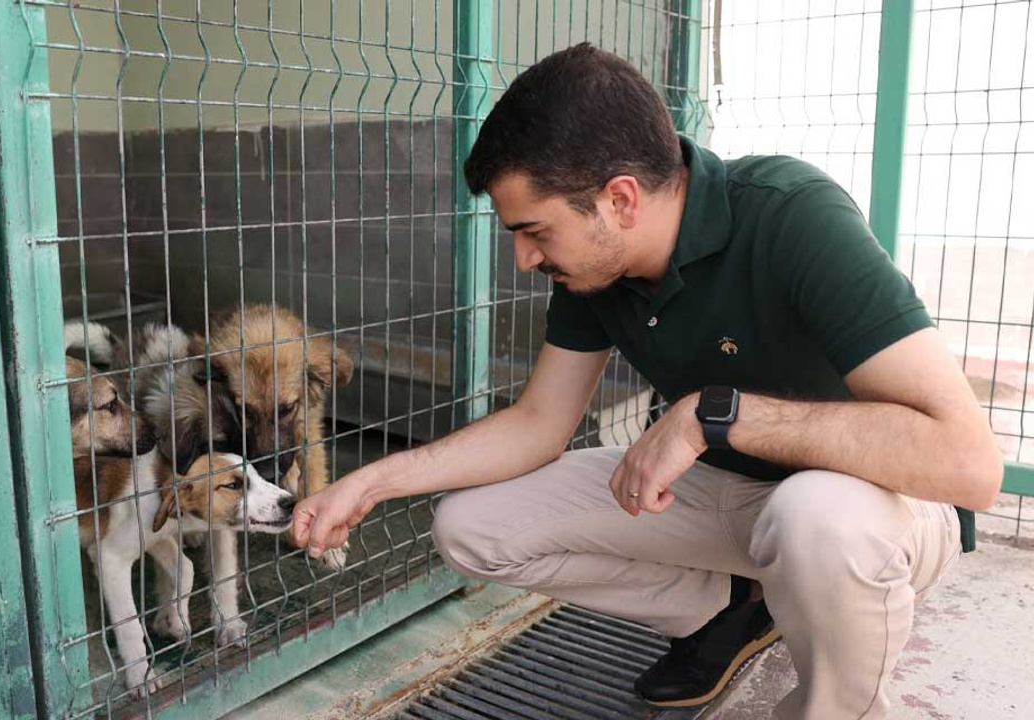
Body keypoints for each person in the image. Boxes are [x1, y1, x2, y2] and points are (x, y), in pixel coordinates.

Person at [291, 43, 1001, 719]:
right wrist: (373, 482)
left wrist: (711, 416)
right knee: (471, 527)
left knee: (815, 518)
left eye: (534, 231)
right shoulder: (596, 264)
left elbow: (969, 467)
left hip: (881, 505)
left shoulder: (792, 215)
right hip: (727, 491)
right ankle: (732, 606)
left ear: (621, 200)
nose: (524, 259)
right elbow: (540, 423)